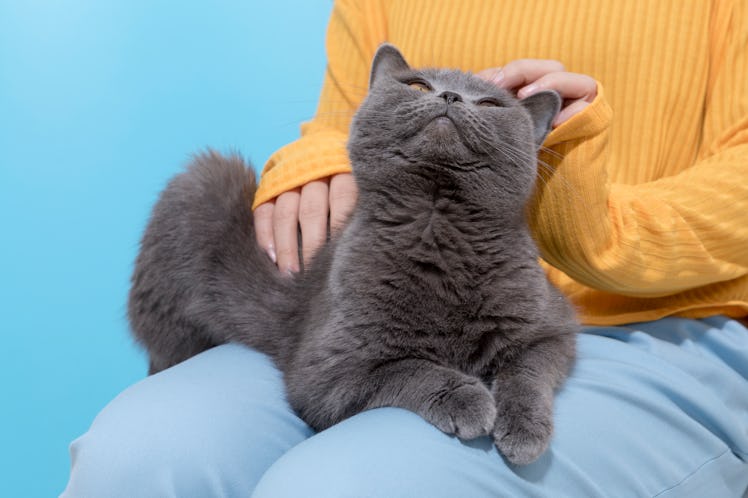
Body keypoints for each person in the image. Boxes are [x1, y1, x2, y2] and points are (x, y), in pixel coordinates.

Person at [62, 1, 748, 496]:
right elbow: (338, 125)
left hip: (667, 322)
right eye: (425, 89)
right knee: (136, 459)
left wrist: (589, 217)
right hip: (364, 295)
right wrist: (315, 161)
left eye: (481, 109)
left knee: (340, 487)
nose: (449, 100)